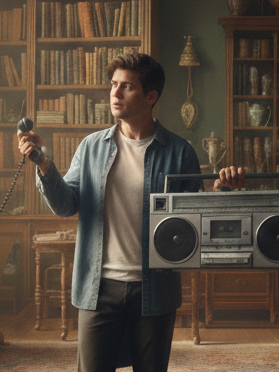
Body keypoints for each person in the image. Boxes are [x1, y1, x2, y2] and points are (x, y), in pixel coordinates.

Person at [18, 52, 245, 372]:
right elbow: (66, 205)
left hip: (155, 290)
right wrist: (43, 164)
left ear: (150, 96)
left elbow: (195, 224)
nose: (115, 93)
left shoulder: (180, 151)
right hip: (98, 289)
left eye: (126, 87)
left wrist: (223, 192)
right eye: (113, 85)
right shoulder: (91, 147)